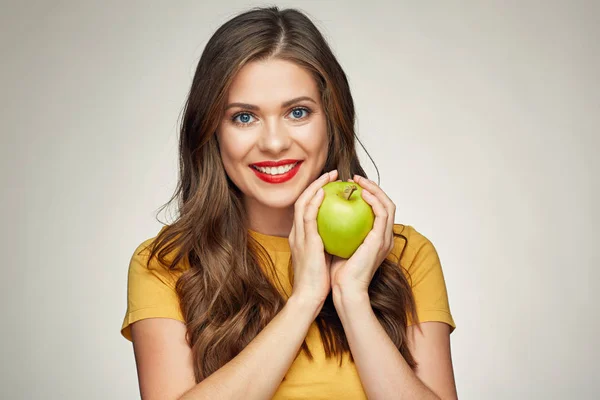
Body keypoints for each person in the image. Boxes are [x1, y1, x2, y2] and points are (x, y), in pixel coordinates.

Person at [121, 6, 457, 400]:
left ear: (333, 121)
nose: (275, 143)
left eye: (298, 112)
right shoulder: (167, 264)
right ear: (212, 130)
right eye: (244, 118)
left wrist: (351, 299)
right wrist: (305, 299)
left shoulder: (404, 255)